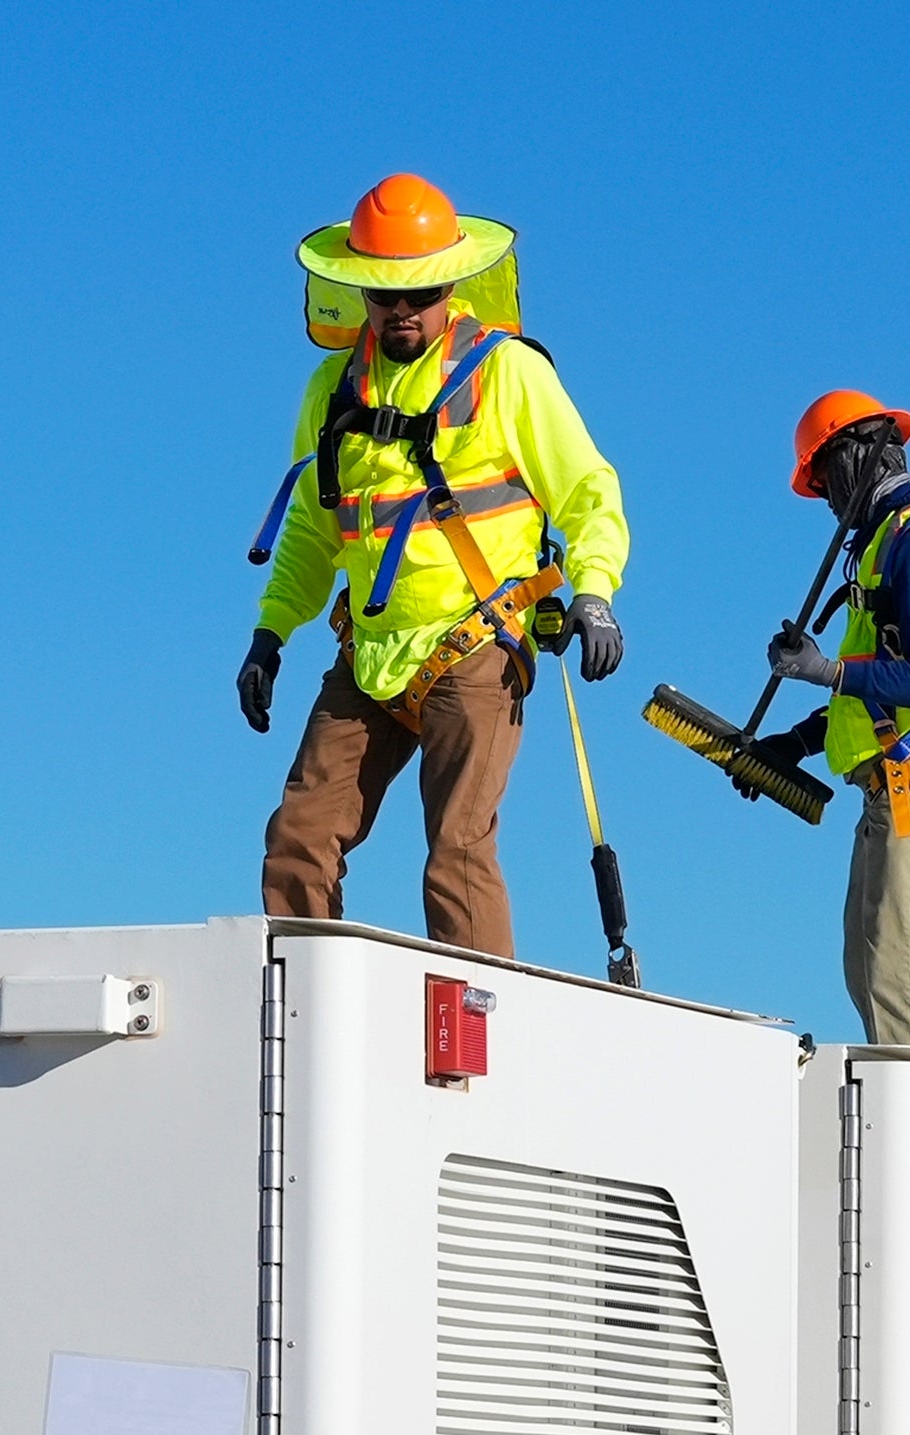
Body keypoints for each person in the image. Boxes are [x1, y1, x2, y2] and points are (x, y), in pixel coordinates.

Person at [238, 174, 630, 953]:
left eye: (422, 290)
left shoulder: (507, 371)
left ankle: (481, 1033)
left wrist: (594, 594)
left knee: (457, 849)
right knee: (298, 837)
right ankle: (303, 1006)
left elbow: (588, 489)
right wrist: (270, 634)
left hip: (475, 645)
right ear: (360, 292)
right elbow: (317, 532)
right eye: (386, 294)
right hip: (370, 654)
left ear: (452, 283)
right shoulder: (332, 389)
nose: (403, 310)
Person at [750, 390, 910, 1050]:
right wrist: (798, 742)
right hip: (893, 780)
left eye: (826, 477)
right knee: (867, 964)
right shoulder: (884, 545)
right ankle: (906, 1108)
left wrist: (824, 671)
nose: (830, 501)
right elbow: (876, 687)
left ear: (859, 454)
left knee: (894, 965)